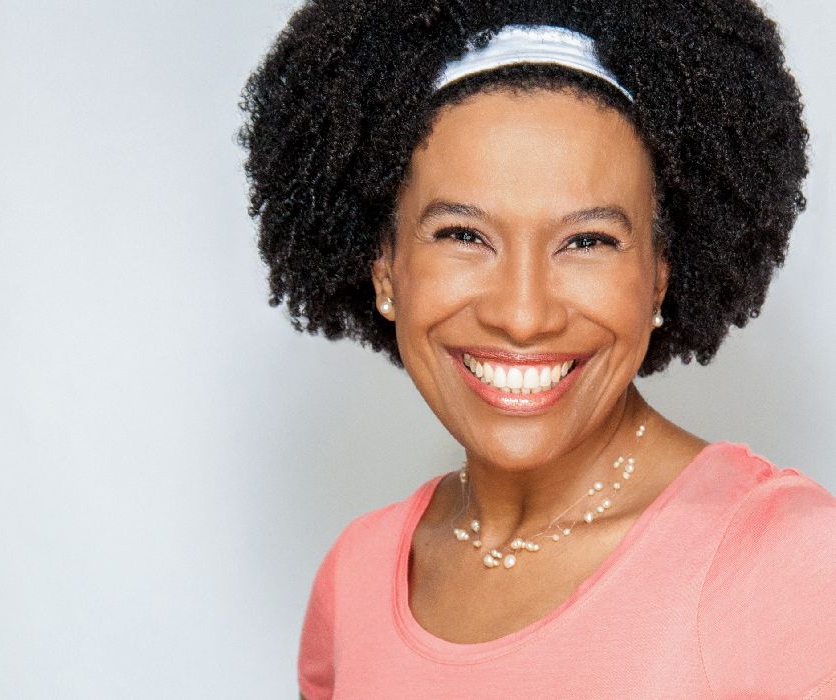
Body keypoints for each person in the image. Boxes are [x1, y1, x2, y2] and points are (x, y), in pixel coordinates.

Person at [239, 1, 836, 697]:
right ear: (385, 271)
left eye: (587, 241)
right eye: (463, 235)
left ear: (659, 276)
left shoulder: (786, 563)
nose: (522, 317)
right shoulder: (356, 579)